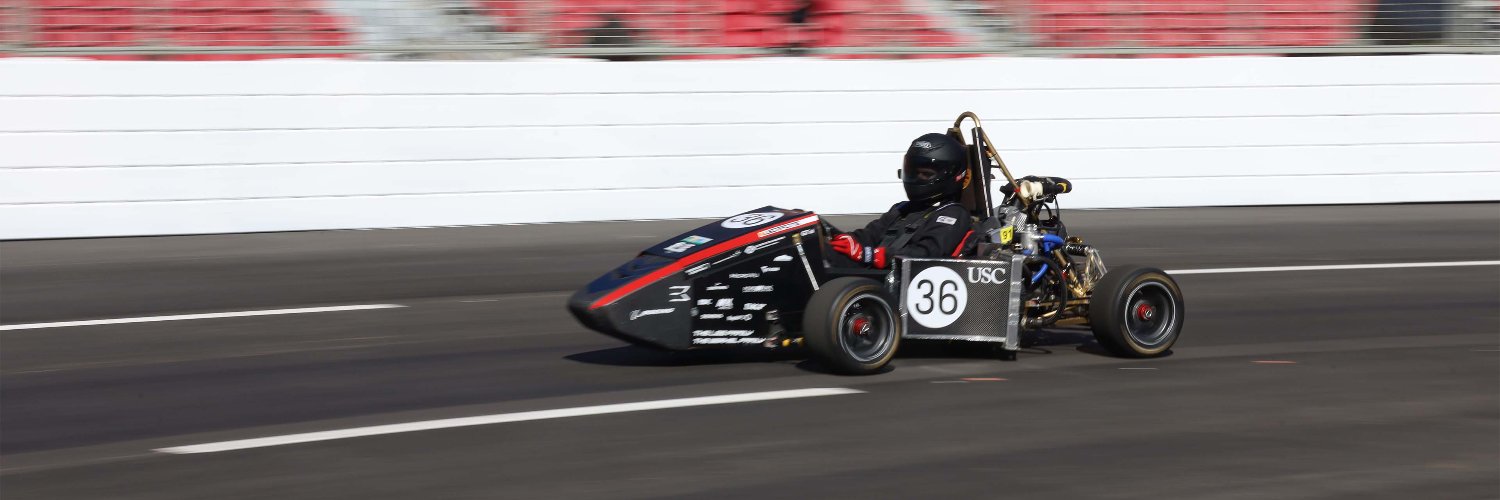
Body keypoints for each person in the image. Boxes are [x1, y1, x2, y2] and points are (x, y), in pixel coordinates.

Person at [828, 133, 976, 268]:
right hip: (872, 276)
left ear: (951, 175)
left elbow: (927, 255)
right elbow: (868, 236)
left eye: (926, 174)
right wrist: (832, 235)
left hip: (902, 284)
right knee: (814, 244)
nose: (917, 178)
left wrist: (874, 256)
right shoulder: (902, 209)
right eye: (913, 172)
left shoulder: (954, 214)